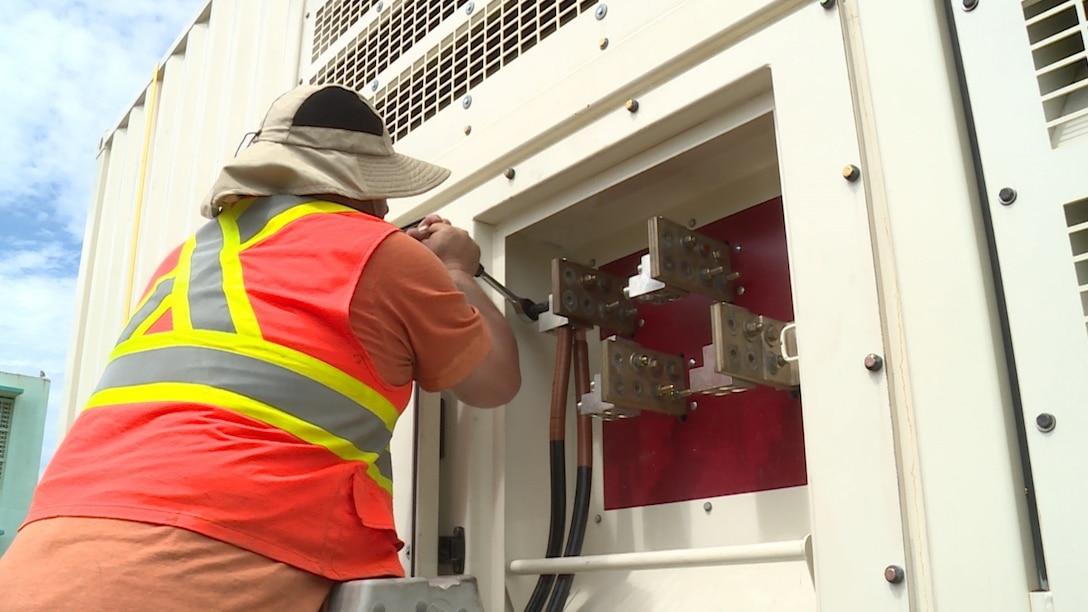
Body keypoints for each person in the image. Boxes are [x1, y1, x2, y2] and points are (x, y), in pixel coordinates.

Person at [0, 84, 521, 610]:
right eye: (381, 189)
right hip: (193, 569)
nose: (386, 205)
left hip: (38, 563)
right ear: (353, 185)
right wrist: (454, 268)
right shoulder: (379, 251)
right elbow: (494, 383)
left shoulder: (182, 262)